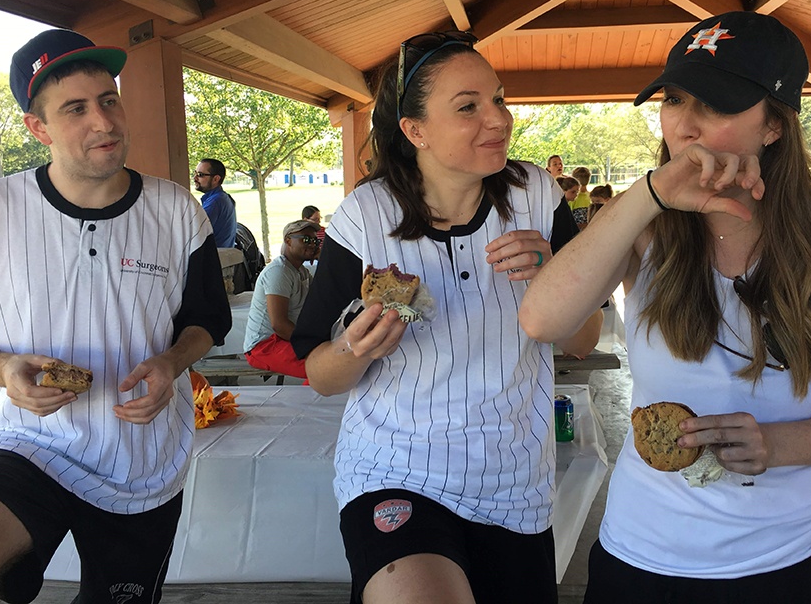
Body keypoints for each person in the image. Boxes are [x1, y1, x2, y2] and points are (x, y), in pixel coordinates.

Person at [519, 11, 811, 604]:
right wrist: (649, 196)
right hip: (640, 561)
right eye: (675, 98)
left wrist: (776, 445)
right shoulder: (643, 224)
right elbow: (542, 321)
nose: (683, 125)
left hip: (795, 565)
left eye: (717, 103)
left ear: (774, 126)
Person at [291, 30, 603, 604]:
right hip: (395, 466)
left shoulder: (536, 194)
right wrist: (354, 349)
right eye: (468, 107)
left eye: (500, 99)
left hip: (512, 476)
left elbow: (585, 340)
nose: (499, 119)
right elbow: (318, 375)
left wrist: (553, 272)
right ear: (416, 131)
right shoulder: (367, 214)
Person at [0, 29, 231, 604]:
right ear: (36, 128)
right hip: (26, 441)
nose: (104, 121)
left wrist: (171, 363)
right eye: (75, 109)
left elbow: (206, 321)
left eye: (108, 99)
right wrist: (3, 370)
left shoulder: (175, 209)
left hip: (139, 456)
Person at [242, 219, 319, 380]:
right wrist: (310, 343)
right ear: (288, 240)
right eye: (305, 239)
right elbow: (279, 324)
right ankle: (310, 403)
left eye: (315, 240)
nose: (312, 244)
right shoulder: (279, 271)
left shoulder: (302, 272)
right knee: (320, 367)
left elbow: (321, 300)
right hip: (263, 346)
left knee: (329, 356)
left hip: (282, 340)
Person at [193, 157, 237, 248]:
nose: (195, 178)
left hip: (214, 259)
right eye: (195, 173)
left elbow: (194, 233)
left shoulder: (215, 202)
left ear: (216, 179)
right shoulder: (223, 197)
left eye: (200, 175)